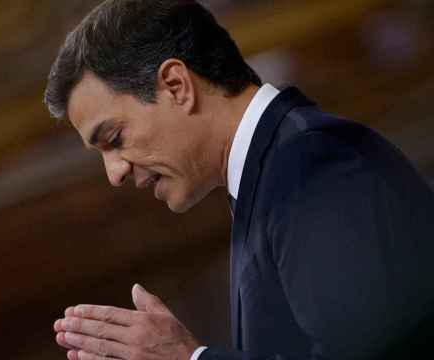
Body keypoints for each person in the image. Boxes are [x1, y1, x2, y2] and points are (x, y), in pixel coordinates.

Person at [43, 1, 434, 359]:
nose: (114, 174)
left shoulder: (308, 164)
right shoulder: (272, 177)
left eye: (114, 139)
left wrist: (189, 359)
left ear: (176, 86)